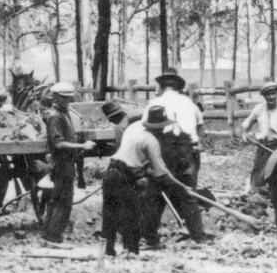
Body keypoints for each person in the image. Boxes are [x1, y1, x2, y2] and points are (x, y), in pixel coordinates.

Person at [102, 105, 206, 256]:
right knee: (132, 214)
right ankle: (131, 252)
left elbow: (137, 157)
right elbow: (161, 172)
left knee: (110, 213)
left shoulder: (133, 128)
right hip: (124, 175)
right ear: (160, 128)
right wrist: (182, 187)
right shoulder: (151, 140)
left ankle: (107, 251)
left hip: (111, 171)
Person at [42, 82, 95, 245]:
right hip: (61, 162)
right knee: (63, 201)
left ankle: (49, 235)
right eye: (63, 98)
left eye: (68, 98)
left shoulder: (64, 113)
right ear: (55, 97)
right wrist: (82, 146)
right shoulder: (54, 116)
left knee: (58, 199)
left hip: (66, 162)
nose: (67, 101)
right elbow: (58, 143)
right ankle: (54, 237)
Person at [144, 68, 204, 185]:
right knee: (188, 191)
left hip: (164, 151)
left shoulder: (153, 104)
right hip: (188, 150)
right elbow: (200, 127)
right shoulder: (189, 103)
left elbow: (146, 129)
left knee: (165, 189)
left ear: (160, 86)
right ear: (179, 86)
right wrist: (198, 144)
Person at [242, 82, 277, 190]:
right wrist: (245, 134)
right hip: (262, 147)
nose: (271, 97)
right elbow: (246, 124)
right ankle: (257, 198)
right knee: (258, 176)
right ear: (264, 96)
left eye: (273, 94)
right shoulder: (259, 109)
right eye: (268, 94)